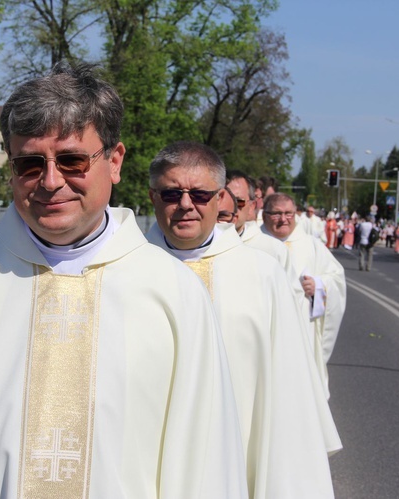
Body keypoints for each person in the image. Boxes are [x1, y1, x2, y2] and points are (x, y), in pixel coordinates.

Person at [0, 63, 248, 499]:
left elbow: (204, 463)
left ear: (115, 160)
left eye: (71, 160)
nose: (51, 182)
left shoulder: (172, 291)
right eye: (30, 164)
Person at [146, 141, 339, 498]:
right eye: (172, 193)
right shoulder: (131, 270)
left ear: (221, 198)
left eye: (201, 195)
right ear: (153, 197)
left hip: (240, 451)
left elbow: (286, 388)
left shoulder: (261, 273)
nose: (186, 205)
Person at [262, 193, 347, 399]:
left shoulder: (311, 245)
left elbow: (336, 278)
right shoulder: (255, 242)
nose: (284, 219)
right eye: (276, 214)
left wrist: (318, 285)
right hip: (263, 328)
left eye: (289, 213)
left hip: (301, 328)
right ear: (264, 215)